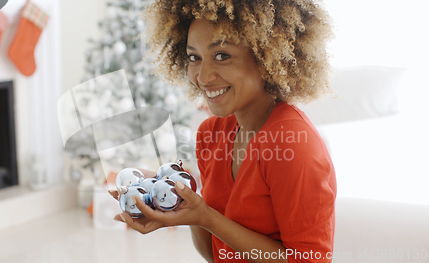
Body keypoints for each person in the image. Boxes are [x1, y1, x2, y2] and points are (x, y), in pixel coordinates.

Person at [110, 0, 336, 262]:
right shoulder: (212, 134)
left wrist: (207, 217)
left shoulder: (293, 144)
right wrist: (187, 205)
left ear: (265, 57)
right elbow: (215, 254)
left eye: (222, 56)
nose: (203, 77)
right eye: (194, 57)